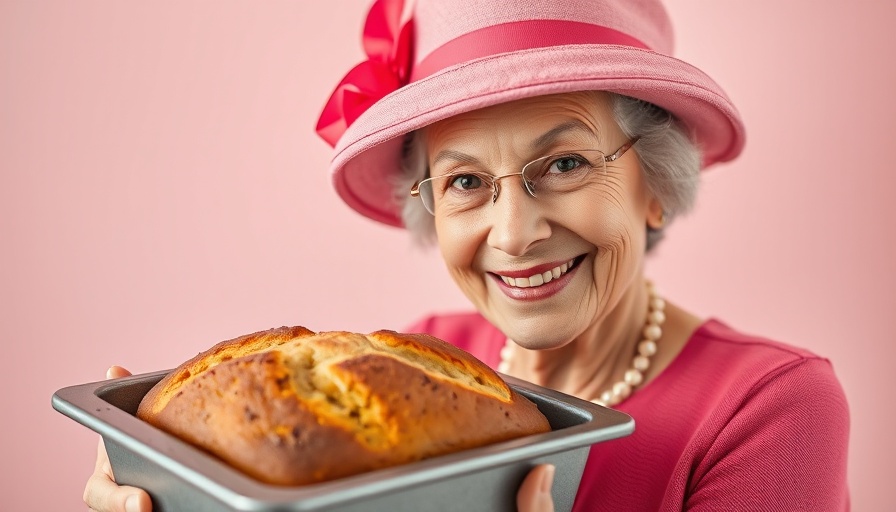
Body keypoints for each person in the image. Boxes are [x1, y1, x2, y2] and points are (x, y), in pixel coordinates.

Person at [84, 0, 851, 510]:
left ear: (657, 184)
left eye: (565, 164)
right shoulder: (420, 361)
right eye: (464, 181)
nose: (514, 233)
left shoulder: (771, 406)